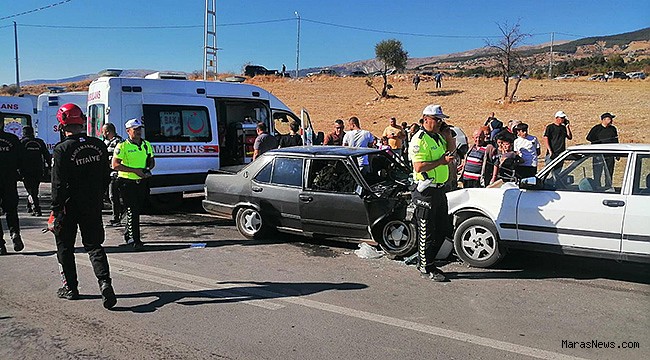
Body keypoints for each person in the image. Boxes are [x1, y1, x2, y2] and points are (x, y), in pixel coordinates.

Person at [48, 103, 116, 309]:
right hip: (91, 204)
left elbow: (57, 184)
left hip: (69, 206)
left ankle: (71, 288)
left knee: (65, 247)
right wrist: (98, 196)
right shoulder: (98, 144)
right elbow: (106, 176)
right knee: (94, 245)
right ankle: (105, 283)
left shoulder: (62, 149)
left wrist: (55, 210)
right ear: (82, 121)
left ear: (62, 124)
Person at [409, 104, 455, 282]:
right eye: (437, 120)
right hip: (425, 191)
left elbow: (451, 153)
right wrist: (441, 161)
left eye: (441, 120)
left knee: (443, 228)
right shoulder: (419, 139)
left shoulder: (437, 137)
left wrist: (448, 136)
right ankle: (426, 266)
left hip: (439, 189)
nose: (439, 123)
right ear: (426, 119)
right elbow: (418, 166)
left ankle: (427, 259)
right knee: (426, 231)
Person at [112, 118, 155, 250]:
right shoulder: (122, 146)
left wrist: (147, 170)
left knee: (134, 210)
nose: (138, 132)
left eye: (139, 129)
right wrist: (135, 171)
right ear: (128, 131)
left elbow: (151, 161)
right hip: (126, 183)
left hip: (141, 182)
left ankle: (129, 234)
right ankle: (134, 240)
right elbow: (115, 165)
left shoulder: (146, 144)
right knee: (132, 211)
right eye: (135, 130)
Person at [0, 125, 24, 255]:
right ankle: (15, 233)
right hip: (9, 180)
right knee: (11, 210)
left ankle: (0, 245)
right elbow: (21, 159)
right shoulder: (13, 139)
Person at [20, 126, 51, 217]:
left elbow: (17, 157)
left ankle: (36, 208)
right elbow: (46, 155)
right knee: (34, 189)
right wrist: (50, 167)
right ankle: (29, 205)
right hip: (38, 169)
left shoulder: (22, 143)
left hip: (26, 170)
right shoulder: (39, 142)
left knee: (30, 190)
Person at [586, 112, 619, 183]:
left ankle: (608, 185)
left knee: (609, 173)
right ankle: (597, 186)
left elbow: (616, 140)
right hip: (598, 154)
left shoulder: (613, 129)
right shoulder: (596, 128)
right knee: (597, 172)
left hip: (610, 154)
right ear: (604, 119)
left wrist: (617, 154)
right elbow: (589, 138)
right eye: (609, 119)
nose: (611, 121)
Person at [102, 123, 124, 226]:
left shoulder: (118, 142)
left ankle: (116, 218)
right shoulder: (105, 142)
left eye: (103, 132)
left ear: (108, 132)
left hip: (115, 173)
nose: (103, 134)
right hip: (107, 172)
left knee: (113, 196)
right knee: (108, 195)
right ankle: (121, 212)